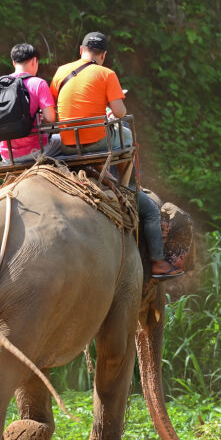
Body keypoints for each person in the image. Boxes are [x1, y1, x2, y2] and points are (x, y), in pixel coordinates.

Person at [52, 32, 182, 278]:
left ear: (81, 50)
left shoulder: (60, 72)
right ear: (103, 55)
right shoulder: (106, 73)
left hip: (68, 143)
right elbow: (120, 112)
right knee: (125, 133)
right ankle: (129, 186)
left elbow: (58, 105)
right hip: (95, 142)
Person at [0, 43, 57, 163]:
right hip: (37, 151)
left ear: (14, 63)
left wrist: (6, 130)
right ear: (34, 61)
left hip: (7, 155)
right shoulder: (38, 83)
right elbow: (51, 118)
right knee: (62, 141)